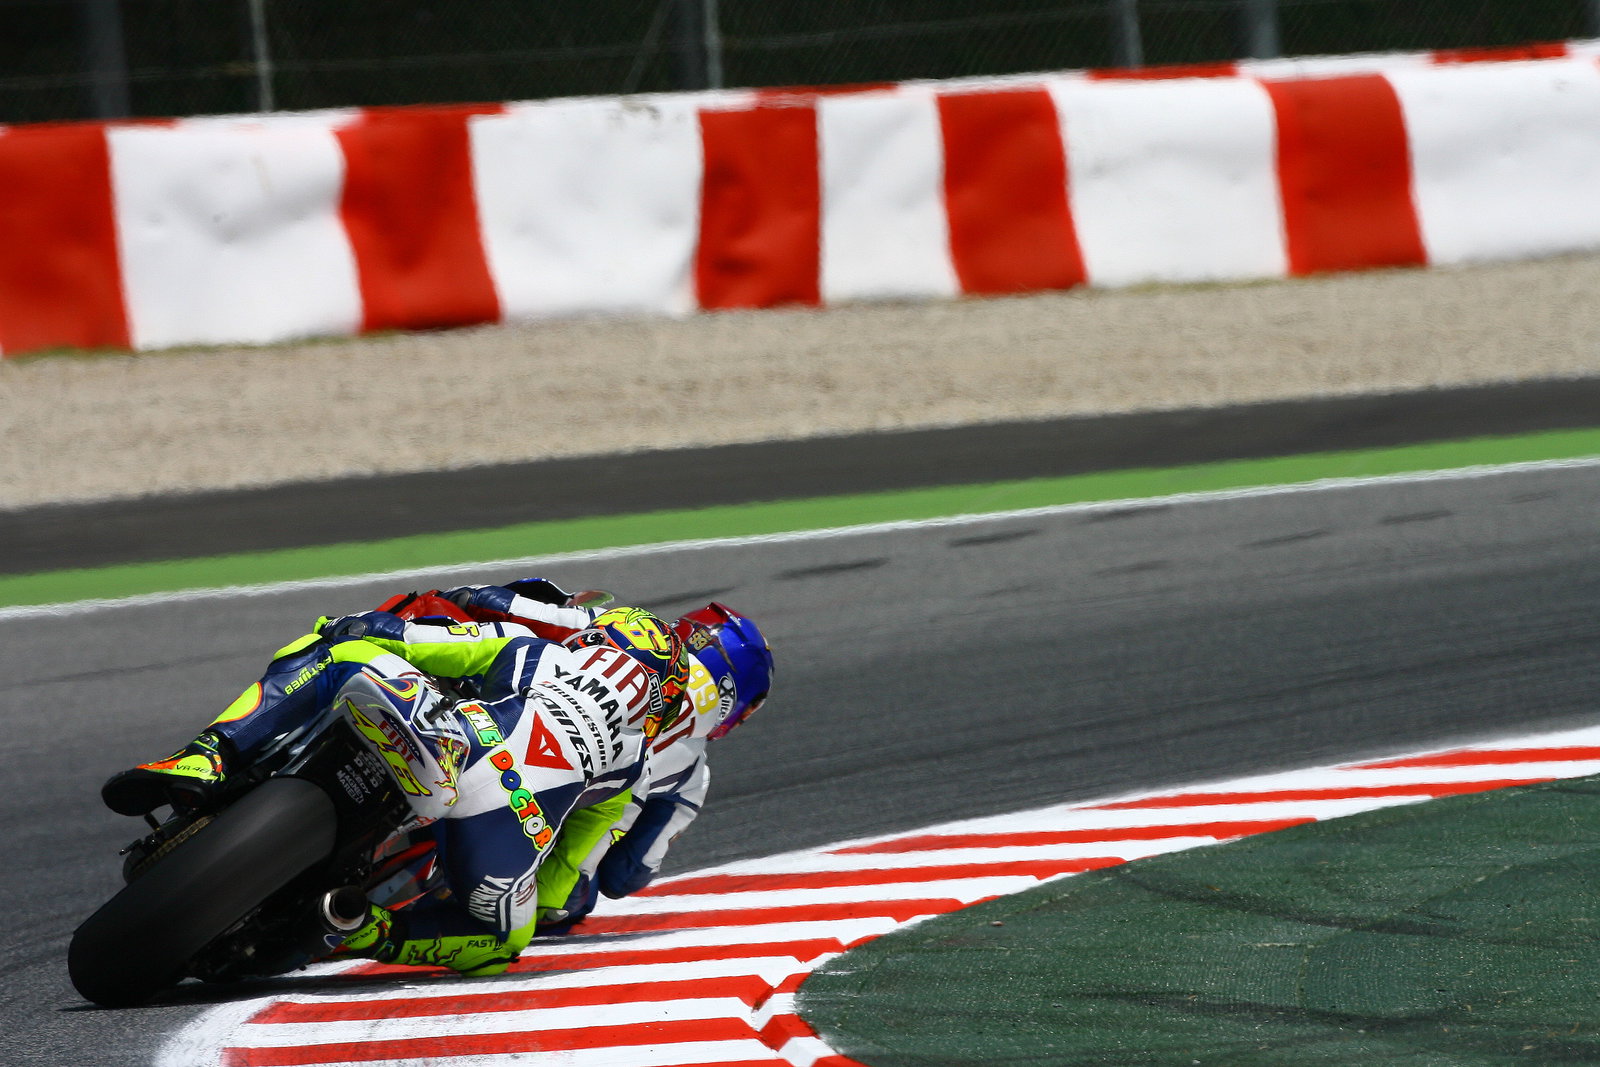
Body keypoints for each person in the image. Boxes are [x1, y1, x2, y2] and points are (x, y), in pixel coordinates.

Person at [105, 603, 691, 977]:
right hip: (505, 815)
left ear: (597, 642)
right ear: (660, 704)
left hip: (460, 738)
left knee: (341, 651)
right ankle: (369, 929)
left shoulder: (535, 652)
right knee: (500, 940)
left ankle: (209, 755)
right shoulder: (632, 767)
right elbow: (563, 887)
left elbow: (403, 638)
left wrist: (350, 627)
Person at [534, 601, 773, 932]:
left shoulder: (619, 634)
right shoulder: (694, 771)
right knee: (577, 897)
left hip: (514, 731)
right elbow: (625, 876)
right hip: (550, 815)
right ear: (736, 697)